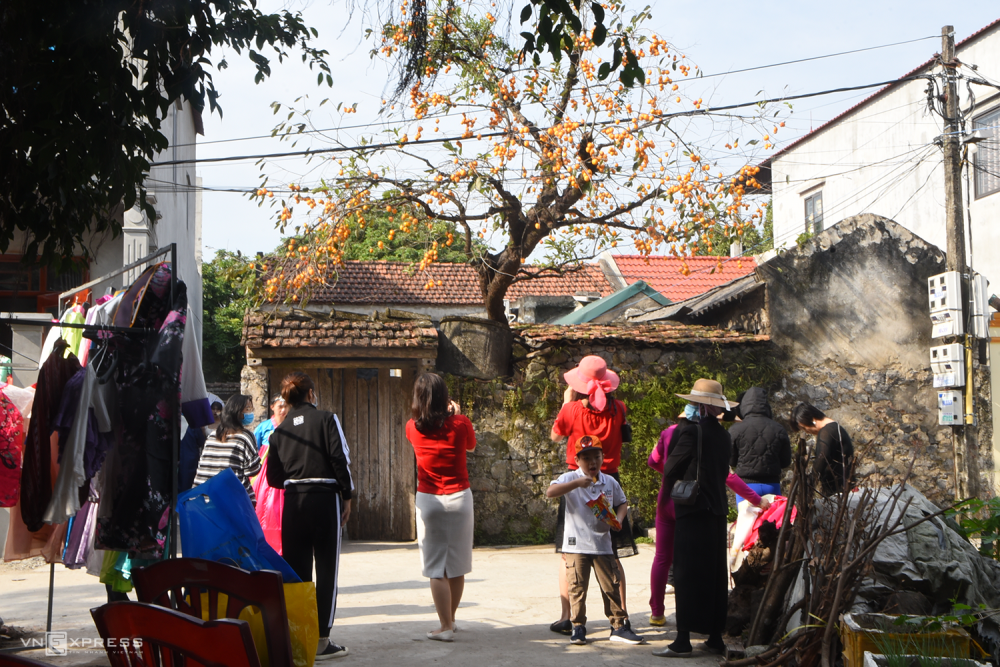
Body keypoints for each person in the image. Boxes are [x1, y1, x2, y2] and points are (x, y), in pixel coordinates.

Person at [646, 414, 770, 626]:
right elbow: (728, 476)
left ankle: (657, 612)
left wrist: (673, 477)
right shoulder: (704, 435)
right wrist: (757, 500)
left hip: (666, 499)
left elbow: (653, 461)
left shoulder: (667, 433)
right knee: (693, 561)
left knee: (662, 558)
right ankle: (694, 616)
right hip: (690, 504)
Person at [267, 372, 354, 661]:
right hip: (325, 498)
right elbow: (339, 459)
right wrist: (347, 495)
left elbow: (273, 478)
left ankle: (299, 638)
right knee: (327, 570)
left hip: (294, 502)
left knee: (298, 573)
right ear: (311, 394)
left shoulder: (279, 432)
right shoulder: (327, 419)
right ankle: (321, 641)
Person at [549, 355, 636, 635]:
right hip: (610, 482)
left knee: (569, 554)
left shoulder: (572, 410)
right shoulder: (619, 408)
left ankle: (568, 617)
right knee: (612, 553)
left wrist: (566, 402)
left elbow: (555, 436)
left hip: (577, 483)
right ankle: (621, 617)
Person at [654, 379, 737, 658]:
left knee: (687, 574)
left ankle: (682, 640)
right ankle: (715, 637)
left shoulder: (692, 432)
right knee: (714, 575)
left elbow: (670, 468)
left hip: (693, 509)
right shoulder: (724, 435)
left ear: (700, 406)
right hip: (717, 511)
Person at [546, 435, 645, 646]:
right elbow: (550, 492)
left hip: (602, 544)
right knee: (577, 587)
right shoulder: (569, 478)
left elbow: (622, 502)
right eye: (586, 458)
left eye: (596, 457)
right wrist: (575, 484)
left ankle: (618, 626)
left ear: (603, 457)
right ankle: (578, 627)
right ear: (577, 460)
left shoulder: (609, 481)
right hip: (576, 545)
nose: (592, 462)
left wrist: (619, 520)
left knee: (611, 586)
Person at [405, 373, 476, 642]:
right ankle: (451, 621)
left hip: (429, 499)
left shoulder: (412, 427)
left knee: (437, 568)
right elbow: (470, 446)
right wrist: (455, 415)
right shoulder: (461, 423)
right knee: (456, 565)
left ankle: (444, 625)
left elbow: (423, 432)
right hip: (460, 497)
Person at [192, 394, 261, 502]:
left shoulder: (213, 435)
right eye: (248, 409)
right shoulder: (245, 437)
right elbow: (253, 470)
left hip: (204, 498)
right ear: (237, 412)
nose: (251, 412)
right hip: (232, 499)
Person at [729, 387, 792, 503]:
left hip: (745, 486)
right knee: (774, 515)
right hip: (772, 484)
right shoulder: (779, 429)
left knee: (746, 515)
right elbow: (785, 462)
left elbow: (731, 461)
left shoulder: (735, 429)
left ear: (743, 406)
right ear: (766, 406)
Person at [790, 403, 855, 496]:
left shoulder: (827, 431)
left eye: (804, 428)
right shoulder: (834, 428)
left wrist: (810, 482)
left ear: (812, 419)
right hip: (844, 486)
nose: (807, 431)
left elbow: (822, 457)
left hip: (839, 490)